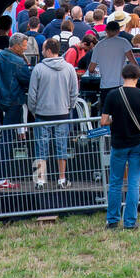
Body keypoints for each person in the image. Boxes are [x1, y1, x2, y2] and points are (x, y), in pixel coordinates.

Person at [100, 62, 140, 229]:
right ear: (137, 78)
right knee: (133, 182)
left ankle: (112, 221)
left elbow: (104, 120)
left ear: (123, 76)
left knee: (115, 183)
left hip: (118, 143)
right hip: (137, 144)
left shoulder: (112, 95)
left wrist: (113, 119)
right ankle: (130, 222)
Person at [26, 37, 79, 190]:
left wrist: (34, 110)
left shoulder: (38, 69)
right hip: (62, 114)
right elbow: (74, 92)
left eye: (43, 49)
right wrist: (69, 107)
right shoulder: (69, 68)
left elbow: (32, 94)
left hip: (42, 114)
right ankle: (62, 178)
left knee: (41, 147)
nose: (42, 52)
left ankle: (40, 180)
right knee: (61, 147)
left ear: (48, 51)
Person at [0, 33, 33, 189]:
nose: (25, 48)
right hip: (14, 102)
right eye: (23, 45)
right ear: (15, 46)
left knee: (4, 139)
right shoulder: (18, 61)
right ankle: (2, 179)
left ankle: (2, 178)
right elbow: (28, 81)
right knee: (7, 141)